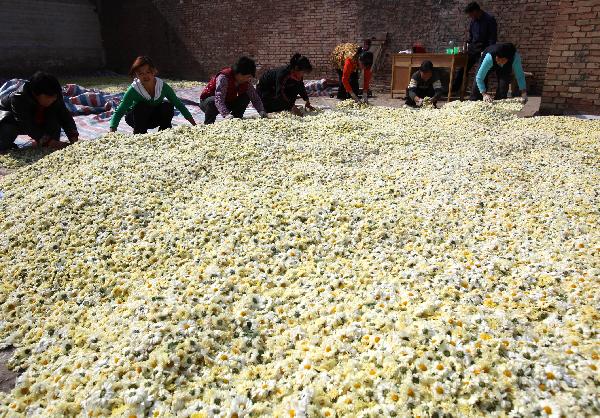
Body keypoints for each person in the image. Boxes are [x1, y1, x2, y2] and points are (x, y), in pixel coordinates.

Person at [110, 56, 196, 134]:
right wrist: (112, 131)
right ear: (136, 74)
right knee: (141, 106)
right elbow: (120, 110)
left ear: (154, 71)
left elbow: (178, 104)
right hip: (136, 119)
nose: (145, 76)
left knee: (167, 106)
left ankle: (165, 132)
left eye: (148, 72)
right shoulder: (134, 89)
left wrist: (194, 125)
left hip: (154, 118)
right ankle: (139, 134)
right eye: (141, 73)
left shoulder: (162, 86)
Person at [0, 71, 78, 153]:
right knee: (8, 132)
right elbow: (26, 124)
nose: (54, 99)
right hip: (11, 120)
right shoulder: (18, 98)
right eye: (49, 96)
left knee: (54, 120)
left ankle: (42, 142)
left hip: (36, 120)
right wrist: (49, 142)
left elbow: (65, 116)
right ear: (36, 93)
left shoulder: (54, 97)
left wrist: (73, 137)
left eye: (55, 96)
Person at [200, 56, 267, 124]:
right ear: (239, 74)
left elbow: (254, 97)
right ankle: (209, 123)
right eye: (247, 76)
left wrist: (261, 110)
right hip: (208, 103)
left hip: (227, 101)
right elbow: (218, 98)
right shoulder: (224, 77)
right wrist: (226, 114)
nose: (249, 79)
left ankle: (236, 120)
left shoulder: (245, 82)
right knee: (212, 101)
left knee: (245, 97)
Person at [451, 1, 498, 93]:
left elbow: (492, 38)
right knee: (462, 69)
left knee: (481, 71)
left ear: (476, 11)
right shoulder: (473, 21)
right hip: (473, 50)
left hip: (484, 50)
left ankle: (480, 93)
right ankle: (454, 89)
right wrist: (465, 45)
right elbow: (471, 37)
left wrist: (487, 51)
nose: (470, 16)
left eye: (471, 14)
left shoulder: (489, 19)